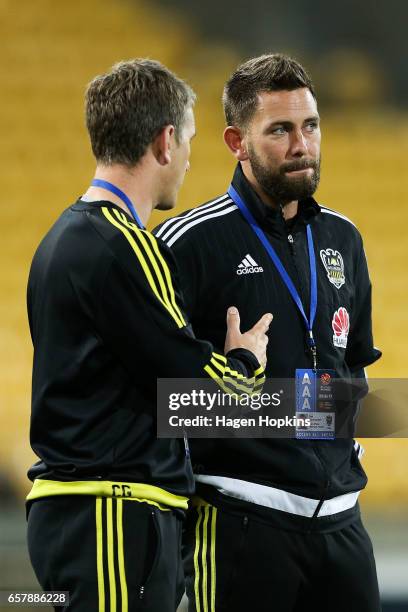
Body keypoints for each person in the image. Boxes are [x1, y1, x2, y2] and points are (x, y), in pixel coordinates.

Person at [26, 59, 272, 612]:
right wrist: (245, 363)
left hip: (80, 515)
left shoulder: (59, 240)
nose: (187, 159)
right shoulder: (127, 245)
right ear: (164, 141)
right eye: (186, 140)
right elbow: (198, 392)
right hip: (115, 512)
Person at [154, 54, 382, 611]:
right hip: (240, 525)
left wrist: (275, 401)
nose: (301, 144)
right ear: (236, 141)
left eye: (310, 125)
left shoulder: (343, 240)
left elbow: (360, 386)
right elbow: (168, 405)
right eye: (279, 130)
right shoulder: (186, 244)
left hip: (343, 524)